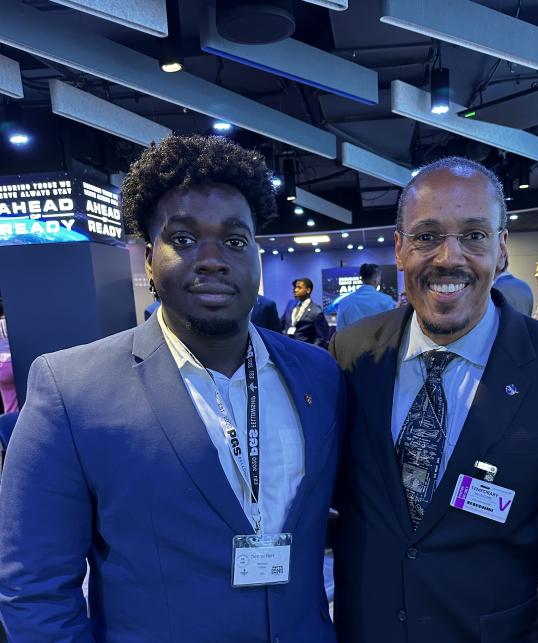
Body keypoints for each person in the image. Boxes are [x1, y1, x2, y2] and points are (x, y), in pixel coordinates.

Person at [0, 135, 344, 642]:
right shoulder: (71, 389)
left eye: (234, 241)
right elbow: (34, 591)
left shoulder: (318, 374)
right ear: (147, 261)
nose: (212, 259)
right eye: (183, 239)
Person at [330, 157, 538, 643]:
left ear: (501, 249)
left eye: (473, 235)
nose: (449, 257)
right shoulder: (352, 354)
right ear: (399, 249)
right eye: (426, 236)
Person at [336, 263, 395, 330]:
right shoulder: (387, 301)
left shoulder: (344, 302)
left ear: (362, 279)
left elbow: (339, 332)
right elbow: (391, 330)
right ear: (376, 279)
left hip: (352, 340)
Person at [281, 277, 330, 348]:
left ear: (308, 290)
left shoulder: (316, 311)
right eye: (295, 287)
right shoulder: (290, 304)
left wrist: (311, 351)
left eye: (299, 287)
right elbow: (281, 324)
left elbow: (321, 337)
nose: (295, 290)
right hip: (286, 348)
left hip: (303, 350)